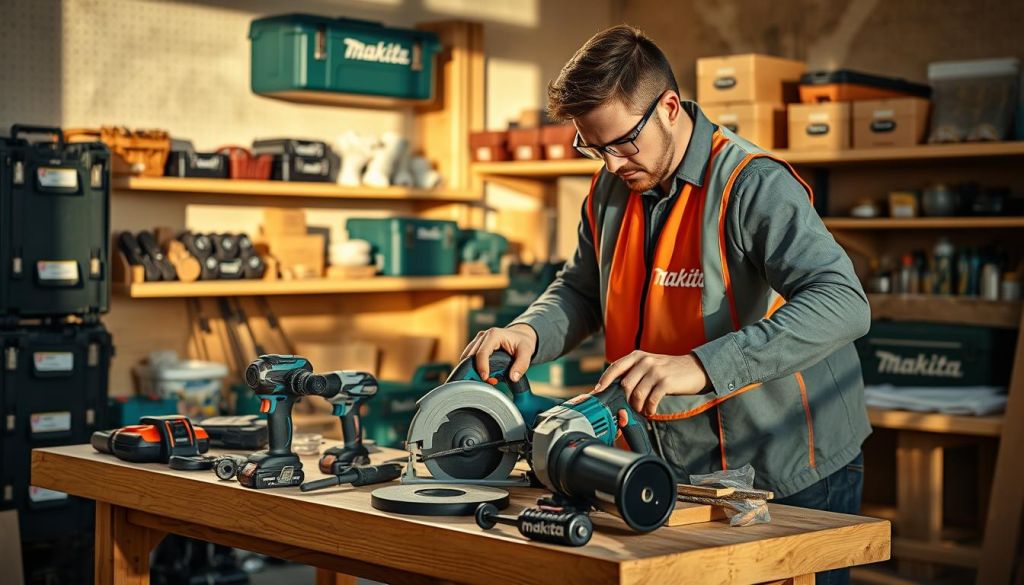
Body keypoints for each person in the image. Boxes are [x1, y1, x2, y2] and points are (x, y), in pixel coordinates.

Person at [461, 24, 870, 585]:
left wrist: (702, 366)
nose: (610, 164)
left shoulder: (751, 184)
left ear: (669, 107)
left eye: (622, 143)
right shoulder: (612, 188)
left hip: (791, 464)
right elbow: (582, 288)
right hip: (675, 462)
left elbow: (844, 301)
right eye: (593, 147)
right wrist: (532, 331)